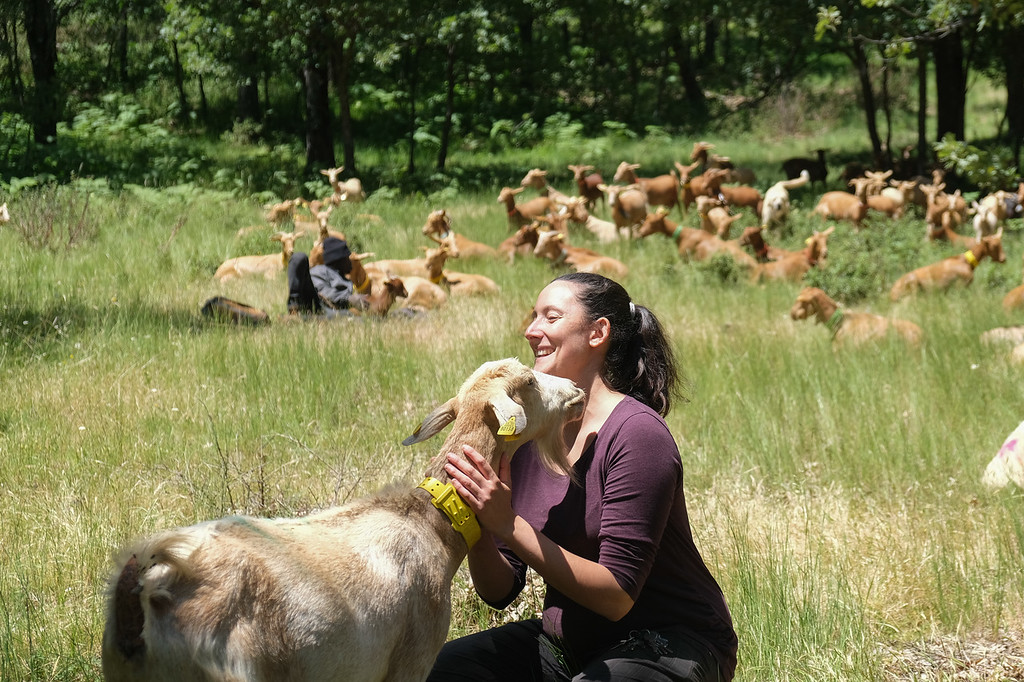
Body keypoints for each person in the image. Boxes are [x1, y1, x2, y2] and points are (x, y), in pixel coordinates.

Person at [427, 272, 737, 682]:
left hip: (671, 643)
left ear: (598, 333)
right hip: (572, 644)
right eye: (533, 316)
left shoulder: (637, 434)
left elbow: (617, 596)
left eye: (550, 317)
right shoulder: (531, 435)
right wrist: (481, 524)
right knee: (441, 670)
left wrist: (508, 522)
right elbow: (499, 591)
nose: (531, 330)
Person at [286, 236, 368, 316]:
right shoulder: (321, 270)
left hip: (328, 312)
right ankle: (294, 309)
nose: (350, 261)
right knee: (300, 257)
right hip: (315, 304)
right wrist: (349, 299)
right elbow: (321, 289)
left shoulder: (343, 278)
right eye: (347, 257)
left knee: (354, 317)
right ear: (339, 260)